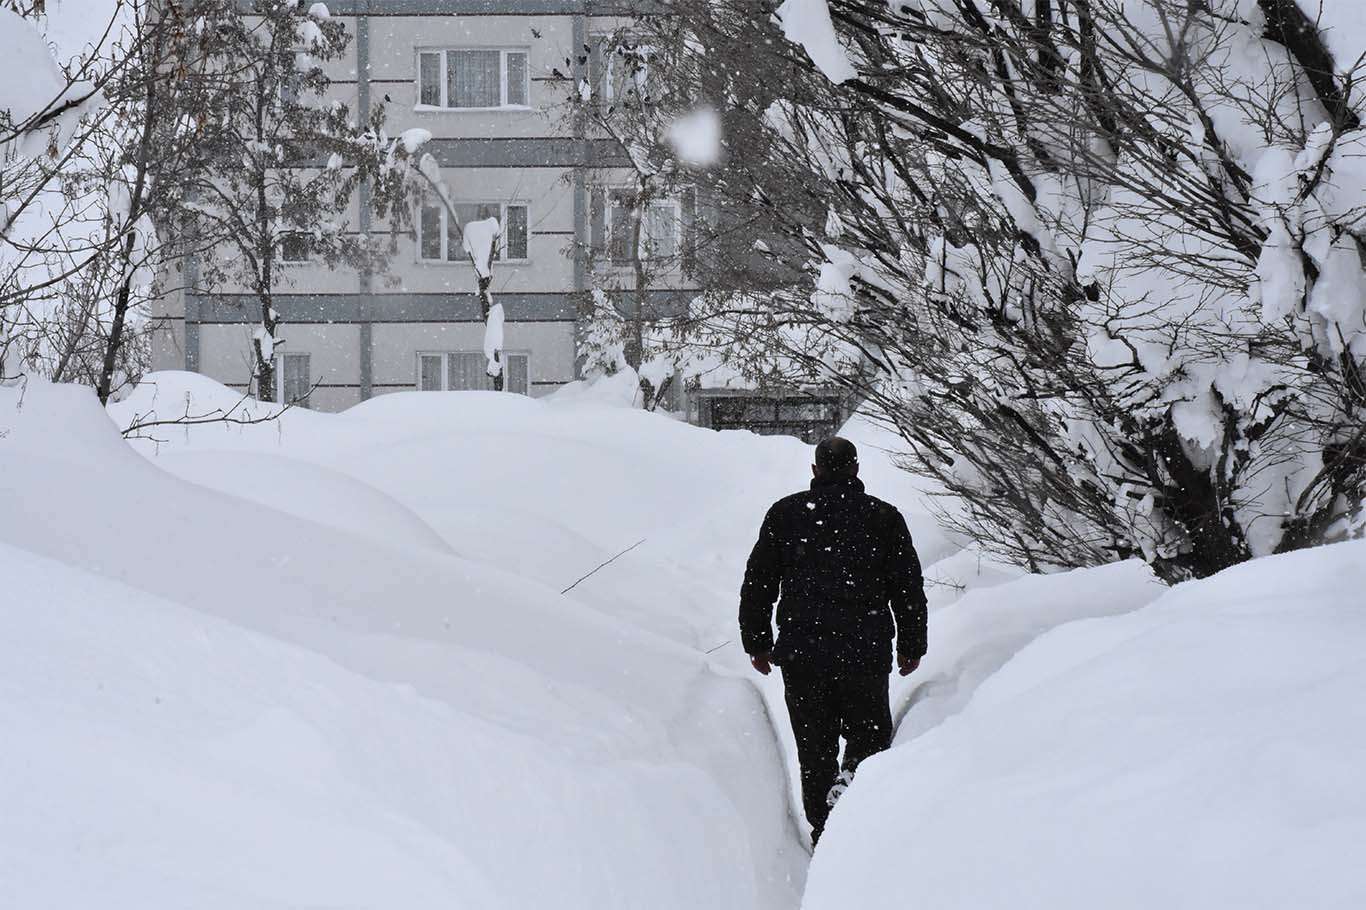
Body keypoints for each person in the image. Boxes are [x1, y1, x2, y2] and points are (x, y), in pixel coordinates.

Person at [739, 436, 927, 847]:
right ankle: (856, 808)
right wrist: (911, 646)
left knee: (814, 746)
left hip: (804, 653)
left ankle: (824, 829)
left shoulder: (786, 515)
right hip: (864, 650)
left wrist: (757, 641)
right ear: (856, 469)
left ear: (815, 470)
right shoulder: (883, 518)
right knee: (868, 735)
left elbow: (760, 582)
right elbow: (907, 588)